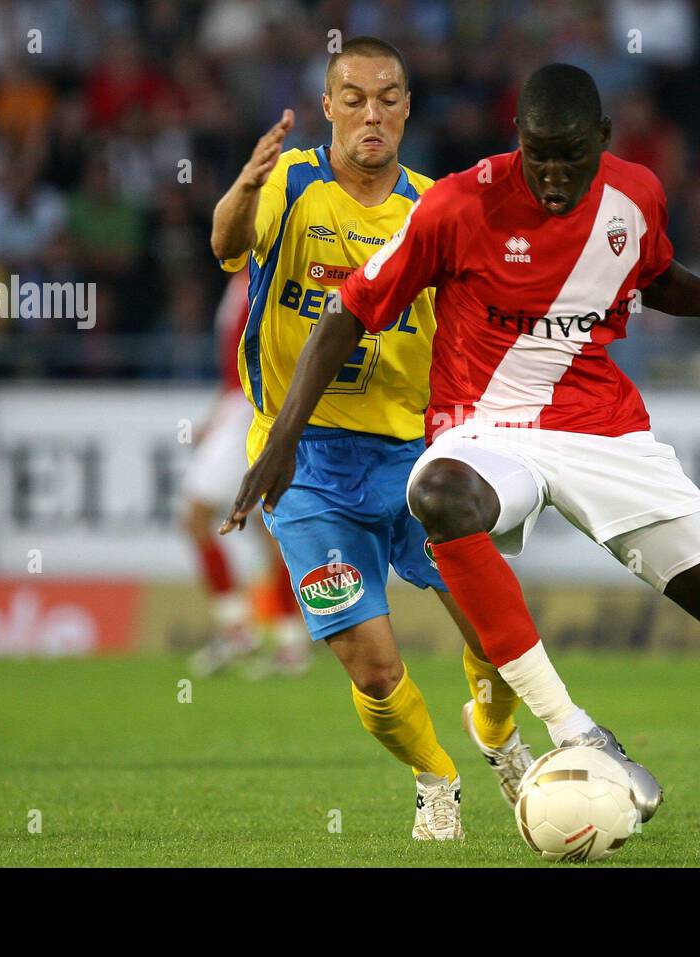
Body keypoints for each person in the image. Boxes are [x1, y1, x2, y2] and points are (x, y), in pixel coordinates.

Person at [228, 63, 700, 851]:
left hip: (604, 430)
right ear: (518, 139)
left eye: (570, 157)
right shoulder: (459, 203)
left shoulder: (637, 197)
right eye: (538, 154)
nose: (552, 175)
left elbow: (654, 277)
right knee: (441, 493)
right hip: (485, 427)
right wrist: (282, 437)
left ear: (603, 142)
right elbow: (346, 313)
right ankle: (575, 729)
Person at [211, 37, 540, 840]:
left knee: (497, 639)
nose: (371, 113)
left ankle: (497, 738)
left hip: (418, 461)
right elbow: (224, 246)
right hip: (308, 463)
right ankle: (436, 776)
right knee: (374, 664)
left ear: (407, 108)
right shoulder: (289, 184)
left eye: (387, 97)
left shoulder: (438, 208)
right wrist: (242, 185)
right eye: (353, 97)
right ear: (328, 107)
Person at [183, 269, 309, 679]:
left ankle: (238, 627)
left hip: (251, 409)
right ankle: (289, 642)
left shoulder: (264, 273)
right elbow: (235, 362)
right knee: (264, 525)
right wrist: (216, 412)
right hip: (239, 407)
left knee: (198, 516)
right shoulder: (242, 278)